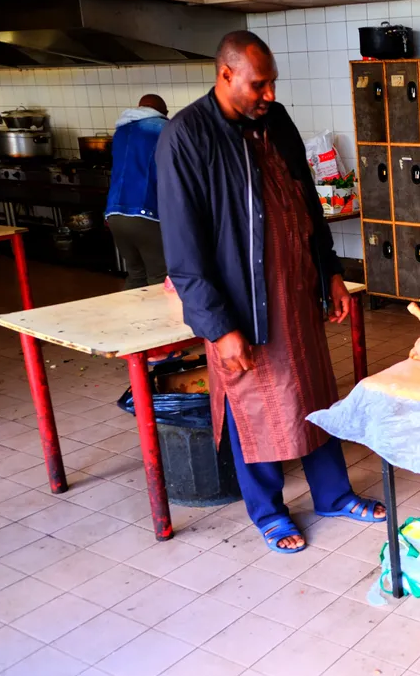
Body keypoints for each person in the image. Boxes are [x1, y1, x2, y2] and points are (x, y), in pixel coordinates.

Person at [155, 30, 384, 554]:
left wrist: (329, 273)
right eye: (259, 85)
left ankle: (332, 495)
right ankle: (269, 512)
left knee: (315, 396)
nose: (270, 95)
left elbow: (306, 202)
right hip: (241, 307)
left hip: (296, 296)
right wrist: (219, 327)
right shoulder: (186, 138)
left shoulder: (274, 122)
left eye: (273, 83)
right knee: (254, 407)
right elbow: (185, 255)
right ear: (226, 75)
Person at [105, 94, 169, 289]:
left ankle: (130, 319)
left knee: (136, 275)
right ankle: (158, 321)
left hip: (114, 214)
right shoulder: (163, 128)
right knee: (160, 277)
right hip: (145, 212)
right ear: (162, 112)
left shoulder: (121, 130)